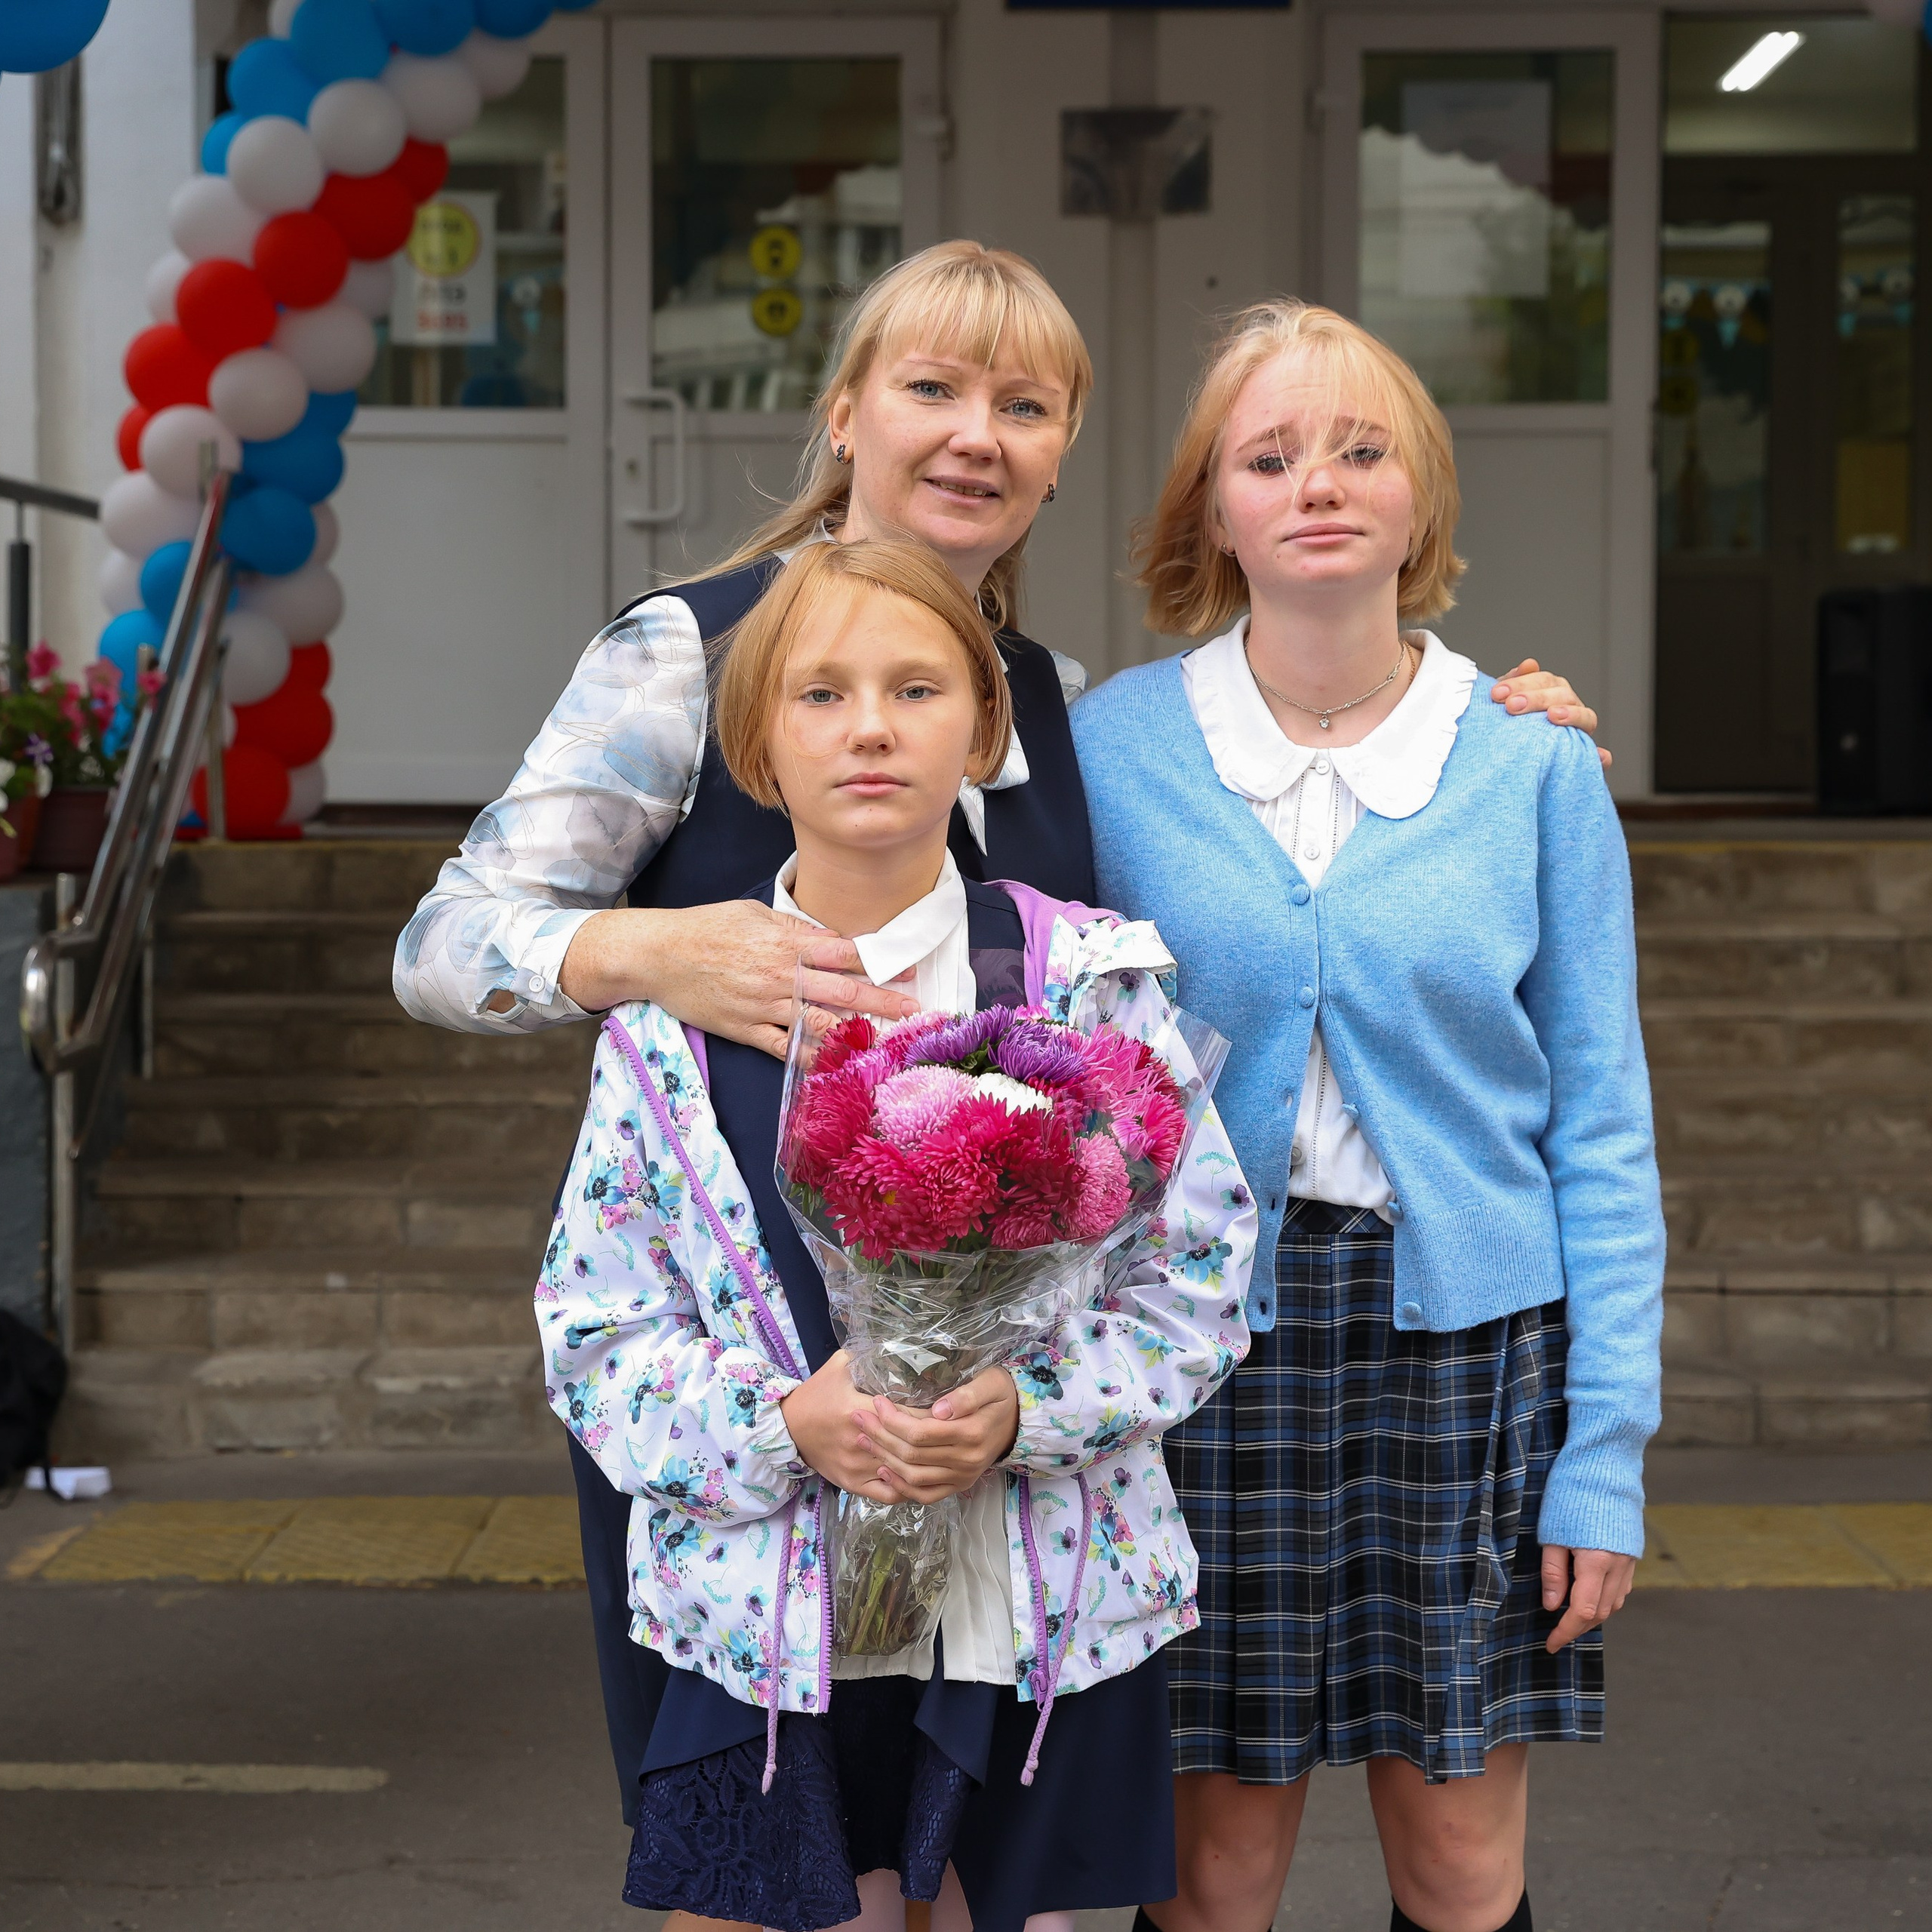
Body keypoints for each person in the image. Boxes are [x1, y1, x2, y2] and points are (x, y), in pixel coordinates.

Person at [391, 239, 1601, 1881]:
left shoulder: (1057, 705)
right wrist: (641, 950)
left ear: (1058, 453)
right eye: (931, 388)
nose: (976, 433)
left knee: (981, 1871)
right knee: (779, 1869)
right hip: (761, 1401)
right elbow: (445, 939)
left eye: (1023, 404)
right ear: (841, 413)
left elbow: (1188, 920)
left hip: (1000, 1431)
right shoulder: (689, 646)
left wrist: (1487, 733)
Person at [540, 537, 1254, 1930]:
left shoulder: (1088, 987)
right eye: (819, 695)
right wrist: (779, 1425)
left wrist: (1027, 1407)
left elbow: (1203, 1277)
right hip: (769, 1622)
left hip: (1033, 1607)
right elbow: (596, 1326)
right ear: (753, 743)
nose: (869, 726)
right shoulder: (672, 1024)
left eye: (918, 688)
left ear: (985, 730)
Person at [1071, 300, 1666, 1932]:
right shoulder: (1107, 751)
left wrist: (1601, 1456)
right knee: (1216, 1862)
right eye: (1267, 455)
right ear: (1212, 507)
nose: (1316, 482)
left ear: (1421, 499)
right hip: (1198, 1349)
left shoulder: (1529, 762)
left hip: (1467, 1350)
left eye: (1359, 448)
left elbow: (1600, 1126)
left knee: (1460, 1855)